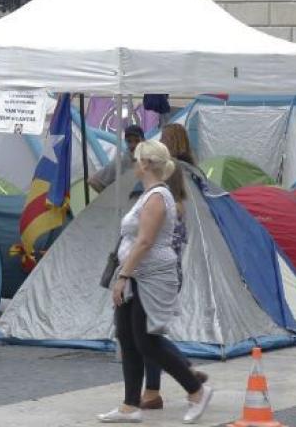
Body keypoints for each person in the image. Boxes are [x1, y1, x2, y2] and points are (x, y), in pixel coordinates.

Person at [100, 140, 212, 425]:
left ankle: (196, 390)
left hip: (150, 276)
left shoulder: (158, 197)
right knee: (127, 336)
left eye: (137, 159)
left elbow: (145, 241)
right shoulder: (149, 195)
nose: (134, 163)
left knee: (147, 341)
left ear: (146, 164)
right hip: (138, 274)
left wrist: (122, 276)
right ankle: (130, 406)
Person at [90, 125, 146, 192]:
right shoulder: (121, 161)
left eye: (137, 141)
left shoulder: (150, 158)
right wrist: (110, 196)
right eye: (129, 141)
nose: (133, 145)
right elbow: (93, 181)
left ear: (144, 140)